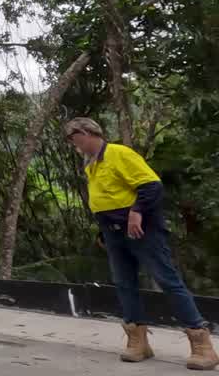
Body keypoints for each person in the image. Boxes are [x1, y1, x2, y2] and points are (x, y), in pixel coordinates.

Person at [65, 117, 217, 370]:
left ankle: (202, 344)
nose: (74, 145)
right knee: (125, 283)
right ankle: (138, 341)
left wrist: (137, 212)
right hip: (113, 231)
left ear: (86, 132)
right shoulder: (91, 165)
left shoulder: (118, 153)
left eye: (74, 139)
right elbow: (105, 198)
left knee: (167, 280)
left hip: (140, 228)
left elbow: (151, 185)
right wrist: (104, 230)